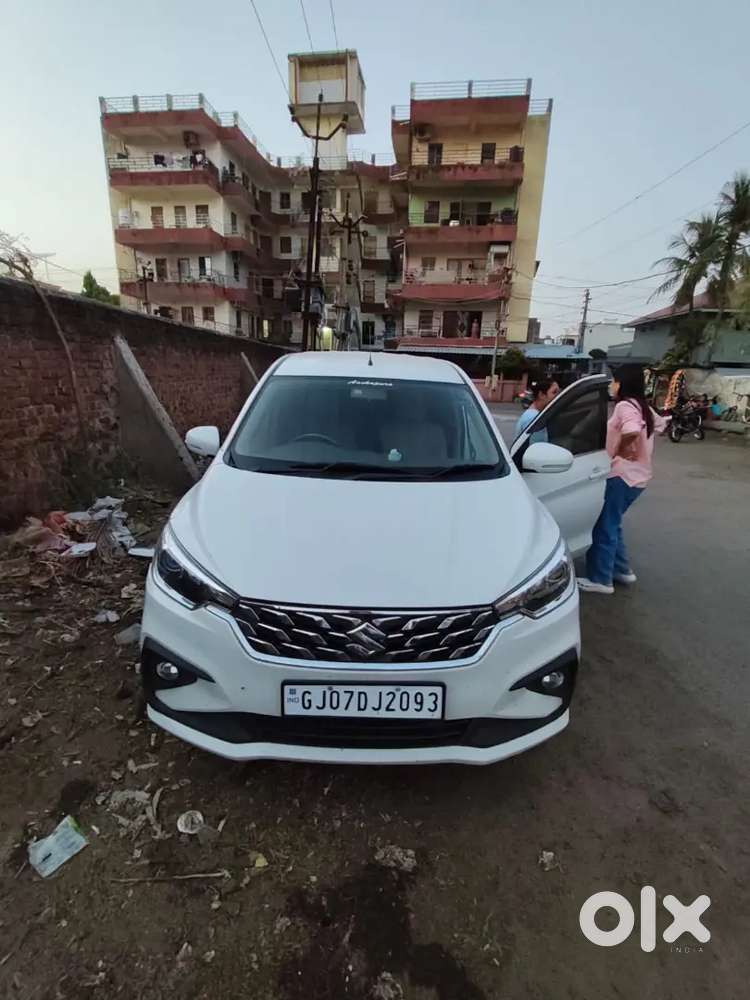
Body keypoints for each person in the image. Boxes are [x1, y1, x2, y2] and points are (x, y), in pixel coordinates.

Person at [577, 365, 668, 594]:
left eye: (614, 381)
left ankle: (601, 580)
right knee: (613, 524)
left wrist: (621, 449)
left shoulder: (625, 406)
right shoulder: (642, 406)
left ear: (623, 383)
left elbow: (631, 431)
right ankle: (622, 570)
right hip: (638, 478)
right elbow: (661, 424)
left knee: (604, 527)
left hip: (621, 476)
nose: (611, 385)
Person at [513, 379, 560, 443]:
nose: (558, 396)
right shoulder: (534, 419)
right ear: (541, 395)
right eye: (554, 392)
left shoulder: (533, 415)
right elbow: (539, 450)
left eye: (559, 393)